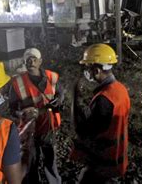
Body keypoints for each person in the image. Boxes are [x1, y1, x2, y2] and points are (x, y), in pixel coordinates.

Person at [71, 43, 131, 183]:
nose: (86, 71)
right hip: (117, 156)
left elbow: (82, 131)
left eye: (88, 67)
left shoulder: (104, 99)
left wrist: (75, 96)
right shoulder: (120, 89)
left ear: (97, 70)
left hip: (103, 161)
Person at [9, 47, 63, 184]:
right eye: (28, 60)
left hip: (48, 126)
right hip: (29, 130)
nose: (31, 62)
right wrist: (21, 114)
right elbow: (12, 108)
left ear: (40, 61)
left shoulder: (52, 77)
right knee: (31, 162)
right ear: (24, 62)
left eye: (34, 59)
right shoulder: (17, 82)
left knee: (50, 160)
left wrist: (59, 100)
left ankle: (54, 182)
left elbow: (60, 94)